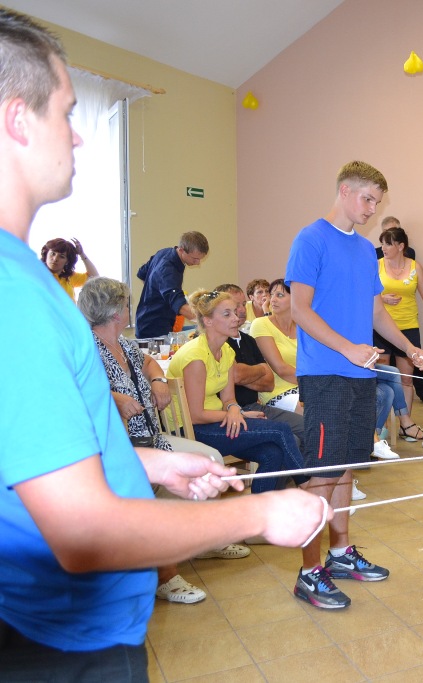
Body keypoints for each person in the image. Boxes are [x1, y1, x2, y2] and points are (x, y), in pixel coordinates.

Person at [0, 10, 328, 678]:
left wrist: (150, 464)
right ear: (18, 120)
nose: (78, 135)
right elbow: (85, 532)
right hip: (62, 644)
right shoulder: (16, 298)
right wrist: (259, 513)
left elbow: (38, 454)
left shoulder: (23, 279)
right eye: (67, 112)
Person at [286, 160, 423, 609]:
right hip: (326, 374)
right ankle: (308, 572)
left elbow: (376, 312)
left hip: (361, 374)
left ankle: (341, 553)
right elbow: (300, 310)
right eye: (367, 199)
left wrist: (410, 348)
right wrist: (348, 348)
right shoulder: (310, 239)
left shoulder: (367, 250)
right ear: (345, 190)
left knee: (347, 466)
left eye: (377, 202)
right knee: (323, 473)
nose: (372, 209)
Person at [80, 276, 250, 605]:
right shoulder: (86, 348)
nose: (129, 309)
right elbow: (78, 389)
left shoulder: (124, 344)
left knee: (210, 460)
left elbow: (147, 362)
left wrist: (158, 379)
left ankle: (204, 541)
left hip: (152, 438)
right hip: (119, 447)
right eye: (126, 304)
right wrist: (114, 398)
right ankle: (166, 576)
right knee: (147, 492)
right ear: (115, 312)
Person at [166, 289, 308, 494]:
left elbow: (229, 399)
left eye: (234, 312)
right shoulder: (196, 356)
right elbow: (195, 415)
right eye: (227, 314)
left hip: (216, 421)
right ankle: (308, 486)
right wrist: (234, 414)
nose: (236, 318)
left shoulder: (226, 350)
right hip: (190, 428)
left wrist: (235, 410)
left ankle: (261, 508)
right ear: (207, 321)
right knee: (281, 430)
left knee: (273, 453)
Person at [214, 283, 306, 445]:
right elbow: (236, 375)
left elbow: (268, 382)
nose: (242, 310)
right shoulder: (218, 342)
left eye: (243, 304)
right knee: (300, 432)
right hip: (230, 412)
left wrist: (247, 374)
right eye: (234, 307)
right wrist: (258, 371)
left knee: (311, 425)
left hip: (254, 406)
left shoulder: (248, 340)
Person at [376, 224, 423, 431]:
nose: (383, 248)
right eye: (382, 244)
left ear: (401, 246)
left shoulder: (415, 267)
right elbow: (365, 294)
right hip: (381, 329)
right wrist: (382, 299)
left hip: (408, 327)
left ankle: (405, 425)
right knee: (383, 379)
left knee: (406, 380)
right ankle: (381, 426)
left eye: (388, 244)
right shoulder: (376, 265)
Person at [135, 231, 209, 339]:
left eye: (200, 259)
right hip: (154, 326)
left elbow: (142, 273)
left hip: (147, 319)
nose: (198, 263)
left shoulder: (164, 252)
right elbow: (180, 305)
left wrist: (157, 292)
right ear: (181, 250)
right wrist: (208, 321)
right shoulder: (168, 270)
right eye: (195, 258)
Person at [250, 278, 302, 412]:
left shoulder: (302, 327)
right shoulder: (261, 324)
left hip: (304, 386)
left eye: (280, 295)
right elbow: (281, 369)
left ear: (295, 298)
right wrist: (315, 383)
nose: (272, 300)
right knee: (319, 408)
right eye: (271, 294)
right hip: (278, 392)